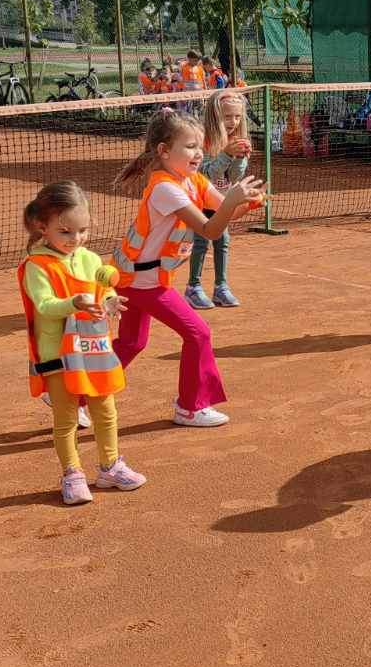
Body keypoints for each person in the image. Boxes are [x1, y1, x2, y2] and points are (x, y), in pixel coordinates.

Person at [111, 107, 263, 428]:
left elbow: (223, 212)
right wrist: (233, 199)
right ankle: (190, 407)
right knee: (198, 333)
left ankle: (73, 392)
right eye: (190, 146)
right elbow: (210, 230)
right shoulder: (165, 188)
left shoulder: (193, 180)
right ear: (164, 151)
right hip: (142, 281)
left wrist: (247, 202)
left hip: (140, 277)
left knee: (132, 343)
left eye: (199, 146)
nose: (198, 153)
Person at [19, 181, 144, 505]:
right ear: (42, 227)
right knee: (67, 418)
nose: (75, 239)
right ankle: (72, 474)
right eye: (66, 232)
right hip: (57, 355)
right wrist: (74, 303)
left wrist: (111, 301)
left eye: (82, 231)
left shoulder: (89, 259)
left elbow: (104, 290)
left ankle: (110, 467)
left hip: (93, 350)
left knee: (106, 410)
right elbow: (45, 306)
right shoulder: (36, 266)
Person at [185, 90, 254, 311]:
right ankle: (193, 287)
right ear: (215, 115)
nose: (233, 122)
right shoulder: (203, 140)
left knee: (222, 241)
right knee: (200, 242)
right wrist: (225, 154)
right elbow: (205, 175)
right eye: (227, 117)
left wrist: (240, 158)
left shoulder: (237, 139)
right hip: (199, 201)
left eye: (237, 117)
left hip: (220, 201)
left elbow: (233, 177)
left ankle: (221, 286)